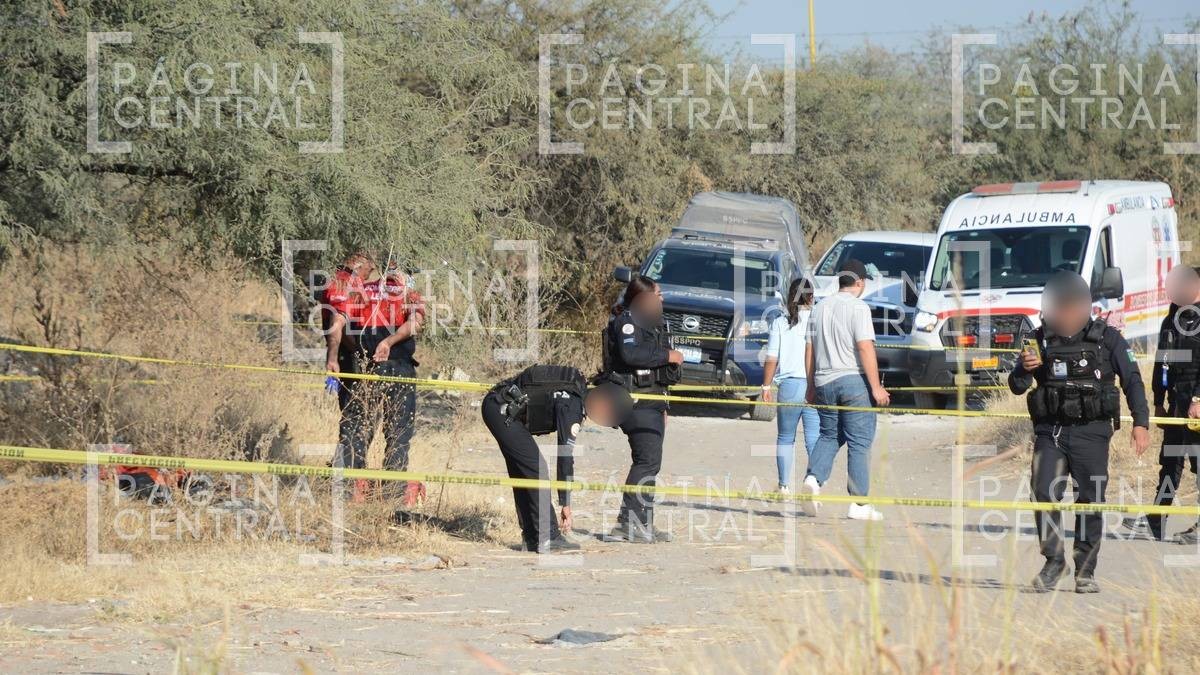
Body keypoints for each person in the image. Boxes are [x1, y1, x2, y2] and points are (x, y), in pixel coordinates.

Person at [1010, 270, 1150, 593]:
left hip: (1092, 432)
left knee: (1090, 499)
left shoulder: (1107, 338)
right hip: (1052, 432)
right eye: (1061, 307)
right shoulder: (1039, 338)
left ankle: (1085, 570)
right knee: (1043, 490)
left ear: (1084, 307)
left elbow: (1132, 380)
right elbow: (1017, 387)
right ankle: (1054, 561)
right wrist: (1023, 369)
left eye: (1072, 307)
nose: (1066, 313)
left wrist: (1141, 423)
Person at [481, 367, 632, 553]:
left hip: (497, 405)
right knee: (537, 470)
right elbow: (565, 456)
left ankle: (532, 537)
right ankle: (549, 537)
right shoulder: (573, 405)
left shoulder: (577, 388)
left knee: (524, 472)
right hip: (502, 410)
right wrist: (566, 503)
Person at [596, 275, 684, 543]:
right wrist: (668, 356)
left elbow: (658, 374)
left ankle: (643, 521)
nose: (661, 298)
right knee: (646, 461)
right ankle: (626, 523)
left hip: (652, 401)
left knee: (650, 463)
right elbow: (631, 355)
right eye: (657, 294)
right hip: (634, 400)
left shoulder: (652, 324)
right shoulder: (627, 322)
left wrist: (664, 405)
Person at [333, 259, 427, 505]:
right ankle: (393, 498)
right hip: (400, 368)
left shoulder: (362, 291)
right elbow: (415, 323)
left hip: (366, 368)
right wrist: (389, 342)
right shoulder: (410, 294)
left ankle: (345, 492)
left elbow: (340, 325)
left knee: (355, 430)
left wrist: (360, 352)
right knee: (398, 434)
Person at [802, 259, 890, 520]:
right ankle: (859, 505)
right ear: (860, 283)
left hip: (823, 381)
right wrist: (876, 387)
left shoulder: (818, 309)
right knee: (860, 441)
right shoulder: (859, 307)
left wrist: (810, 386)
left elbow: (810, 350)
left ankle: (813, 480)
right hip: (853, 381)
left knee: (830, 435)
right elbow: (865, 347)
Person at [1124, 266, 1200, 542]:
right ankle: (1156, 519)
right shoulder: (1172, 318)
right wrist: (1158, 399)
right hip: (1176, 403)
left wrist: (1197, 399)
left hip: (1196, 404)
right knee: (1170, 462)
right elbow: (1161, 361)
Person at [761, 277, 819, 493]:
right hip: (813, 384)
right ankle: (812, 481)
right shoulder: (817, 320)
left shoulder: (780, 322)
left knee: (786, 437)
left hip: (789, 386)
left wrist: (766, 386)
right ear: (811, 297)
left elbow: (772, 358)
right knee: (813, 438)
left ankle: (784, 485)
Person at [321, 251, 374, 470]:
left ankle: (351, 464)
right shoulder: (342, 283)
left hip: (357, 354)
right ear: (361, 265)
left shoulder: (348, 282)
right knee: (354, 412)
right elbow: (337, 322)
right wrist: (332, 358)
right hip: (348, 356)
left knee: (364, 411)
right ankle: (346, 468)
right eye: (369, 271)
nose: (369, 277)